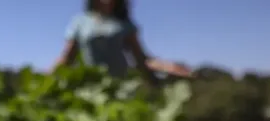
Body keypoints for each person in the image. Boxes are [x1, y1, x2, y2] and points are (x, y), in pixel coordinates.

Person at [52, 0, 191, 85]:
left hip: (119, 86)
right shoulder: (80, 22)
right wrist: (42, 79)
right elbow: (66, 59)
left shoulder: (124, 24)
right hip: (90, 88)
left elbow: (142, 60)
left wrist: (170, 67)